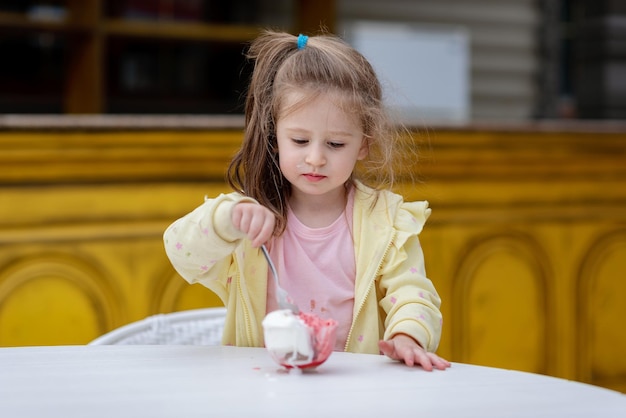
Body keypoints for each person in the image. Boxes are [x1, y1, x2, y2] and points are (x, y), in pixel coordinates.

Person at [163, 30, 450, 371]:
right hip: (258, 388)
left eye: (335, 144)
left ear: (364, 144)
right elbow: (181, 252)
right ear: (274, 137)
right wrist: (226, 219)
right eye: (300, 140)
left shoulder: (385, 221)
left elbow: (414, 293)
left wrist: (409, 335)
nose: (315, 158)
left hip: (353, 392)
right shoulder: (248, 219)